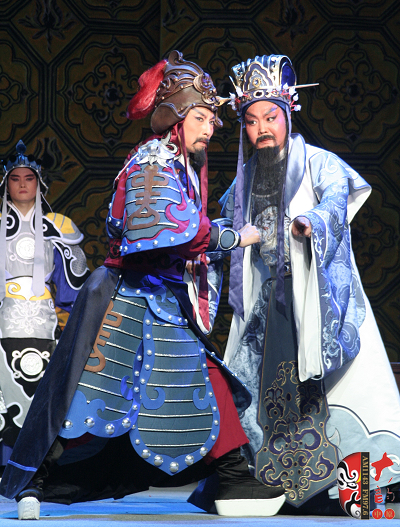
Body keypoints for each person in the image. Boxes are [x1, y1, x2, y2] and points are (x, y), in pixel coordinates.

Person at [0, 51, 286, 520]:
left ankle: (233, 475)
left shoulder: (176, 162)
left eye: (211, 119)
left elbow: (183, 228)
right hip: (130, 296)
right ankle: (37, 479)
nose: (210, 128)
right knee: (88, 391)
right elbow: (163, 229)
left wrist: (214, 234)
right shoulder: (154, 160)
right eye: (200, 118)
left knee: (198, 378)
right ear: (176, 118)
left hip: (155, 296)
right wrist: (235, 236)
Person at [219, 54, 400, 514]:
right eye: (251, 121)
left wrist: (311, 223)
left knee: (340, 391)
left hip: (315, 297)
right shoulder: (244, 178)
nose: (261, 129)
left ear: (288, 114)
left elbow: (338, 201)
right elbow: (225, 225)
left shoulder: (319, 162)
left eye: (270, 117)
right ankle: (272, 484)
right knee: (261, 393)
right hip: (267, 303)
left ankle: (355, 488)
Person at [0, 141, 90, 469]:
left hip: (45, 325)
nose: (22, 185)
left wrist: (75, 331)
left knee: (41, 397)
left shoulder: (58, 227)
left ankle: (36, 470)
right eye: (15, 179)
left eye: (29, 178)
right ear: (5, 184)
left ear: (40, 184)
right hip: (3, 322)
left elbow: (73, 289)